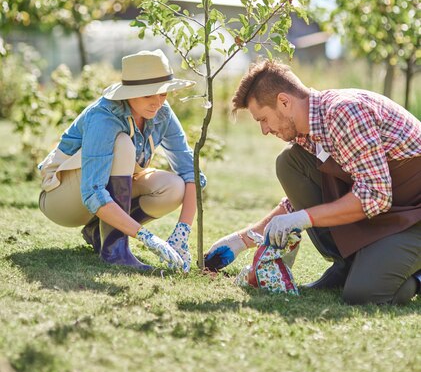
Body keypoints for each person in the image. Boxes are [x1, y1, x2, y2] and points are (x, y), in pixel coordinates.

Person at [205, 59, 421, 305]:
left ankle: (412, 274)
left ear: (284, 102)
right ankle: (350, 263)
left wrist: (303, 219)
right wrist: (241, 240)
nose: (264, 130)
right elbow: (298, 201)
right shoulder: (308, 133)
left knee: (364, 294)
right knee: (289, 162)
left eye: (263, 119)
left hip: (413, 213)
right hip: (389, 209)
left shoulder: (345, 113)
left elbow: (375, 196)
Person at [39, 49, 205, 273]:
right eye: (148, 95)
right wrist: (146, 237)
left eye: (163, 94)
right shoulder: (104, 116)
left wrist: (182, 232)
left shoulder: (161, 112)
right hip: (62, 199)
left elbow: (189, 171)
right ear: (129, 92)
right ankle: (115, 249)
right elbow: (92, 192)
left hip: (96, 196)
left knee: (174, 187)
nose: (157, 102)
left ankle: (99, 234)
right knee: (123, 144)